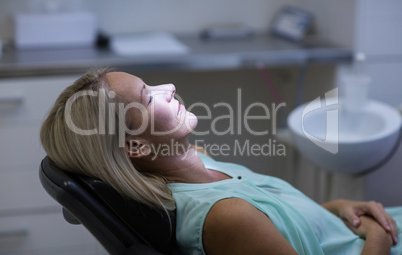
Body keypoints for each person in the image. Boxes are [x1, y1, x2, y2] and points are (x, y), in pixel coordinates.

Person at [40, 68, 401, 254]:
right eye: (148, 97)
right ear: (135, 148)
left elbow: (281, 225)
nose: (167, 87)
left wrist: (340, 208)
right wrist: (377, 235)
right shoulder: (226, 216)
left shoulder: (200, 162)